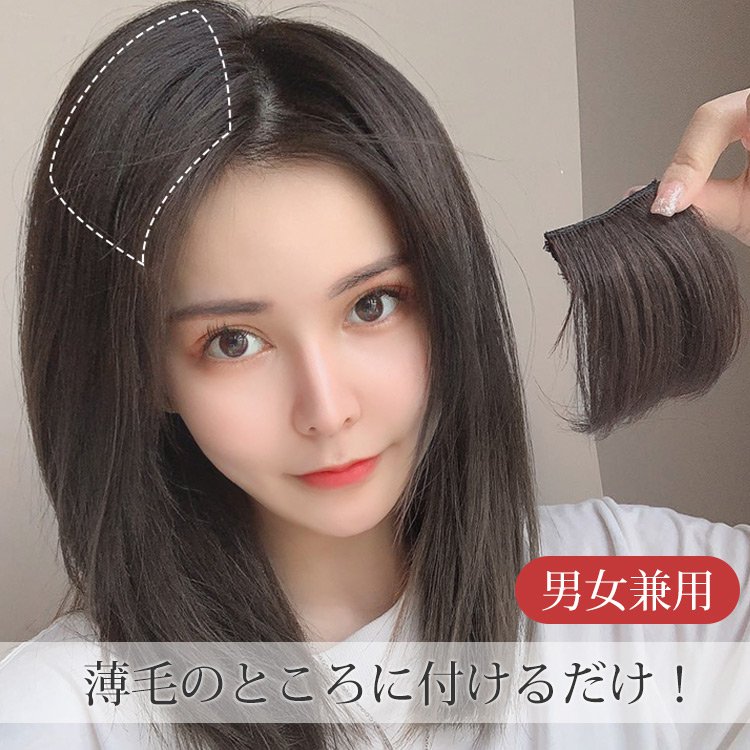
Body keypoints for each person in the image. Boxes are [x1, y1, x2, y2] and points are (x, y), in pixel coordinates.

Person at [0, 1, 748, 748]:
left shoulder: (640, 592)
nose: (327, 410)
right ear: (148, 372)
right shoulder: (64, 713)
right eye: (233, 341)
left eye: (372, 305)